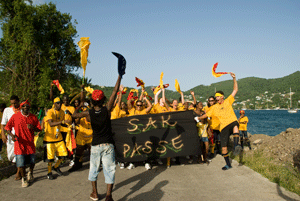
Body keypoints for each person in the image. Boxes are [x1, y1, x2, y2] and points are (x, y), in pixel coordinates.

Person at [72, 75, 121, 201]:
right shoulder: (107, 109)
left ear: (92, 102)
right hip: (108, 145)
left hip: (95, 145)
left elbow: (74, 115)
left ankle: (94, 193)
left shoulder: (88, 113)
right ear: (103, 100)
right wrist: (119, 76)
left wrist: (81, 104)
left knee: (93, 169)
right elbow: (115, 92)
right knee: (109, 170)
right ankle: (109, 196)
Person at [197, 72, 241, 170]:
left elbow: (235, 89)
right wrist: (199, 118)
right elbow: (206, 114)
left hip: (232, 121)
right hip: (223, 127)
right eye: (215, 97)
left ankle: (236, 145)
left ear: (222, 96)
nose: (216, 98)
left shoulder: (228, 101)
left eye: (218, 96)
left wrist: (234, 78)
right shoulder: (214, 107)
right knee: (223, 148)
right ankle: (228, 164)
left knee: (235, 126)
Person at [5, 100, 41, 187]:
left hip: (30, 143)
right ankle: (24, 178)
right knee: (21, 163)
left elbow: (39, 129)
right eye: (24, 106)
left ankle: (30, 173)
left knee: (32, 162)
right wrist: (12, 136)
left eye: (27, 106)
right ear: (21, 107)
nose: (26, 107)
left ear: (29, 107)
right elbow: (7, 128)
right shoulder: (15, 116)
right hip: (19, 144)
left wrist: (33, 127)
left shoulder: (33, 117)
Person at [43, 97, 71, 180]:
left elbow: (61, 125)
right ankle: (49, 173)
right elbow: (51, 124)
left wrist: (69, 127)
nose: (59, 104)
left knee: (64, 155)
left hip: (58, 137)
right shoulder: (50, 112)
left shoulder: (62, 112)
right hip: (49, 139)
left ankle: (56, 167)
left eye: (60, 103)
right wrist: (62, 122)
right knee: (50, 159)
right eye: (58, 103)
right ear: (54, 104)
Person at [1, 95, 21, 179]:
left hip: (20, 137)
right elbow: (3, 123)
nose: (14, 105)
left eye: (15, 103)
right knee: (10, 156)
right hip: (10, 136)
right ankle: (20, 168)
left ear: (18, 101)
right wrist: (3, 134)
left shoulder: (22, 110)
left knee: (19, 155)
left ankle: (19, 172)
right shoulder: (7, 110)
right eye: (12, 103)